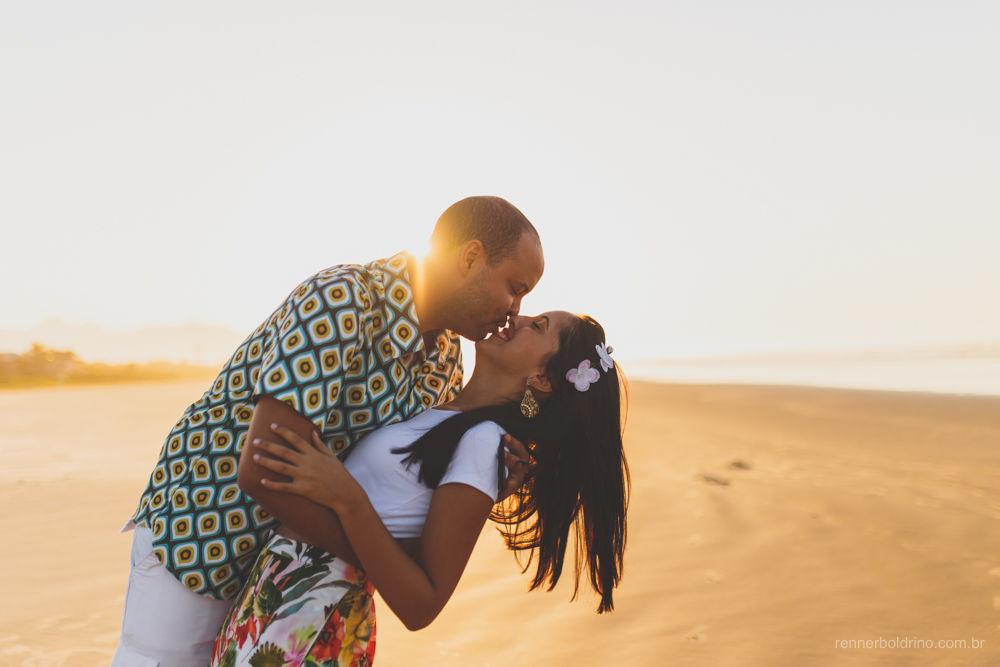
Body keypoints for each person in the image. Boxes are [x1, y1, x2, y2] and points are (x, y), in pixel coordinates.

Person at [111, 196, 542, 667]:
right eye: (514, 288)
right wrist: (379, 551)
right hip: (205, 538)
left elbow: (395, 489)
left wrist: (476, 490)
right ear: (470, 257)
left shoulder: (445, 361)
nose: (514, 311)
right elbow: (260, 471)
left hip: (285, 585)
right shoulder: (343, 300)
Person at [211, 311, 630, 666]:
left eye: (536, 326)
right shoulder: (445, 415)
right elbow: (401, 526)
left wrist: (346, 496)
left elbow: (421, 606)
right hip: (280, 591)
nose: (516, 318)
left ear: (542, 379)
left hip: (312, 609)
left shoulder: (483, 443)